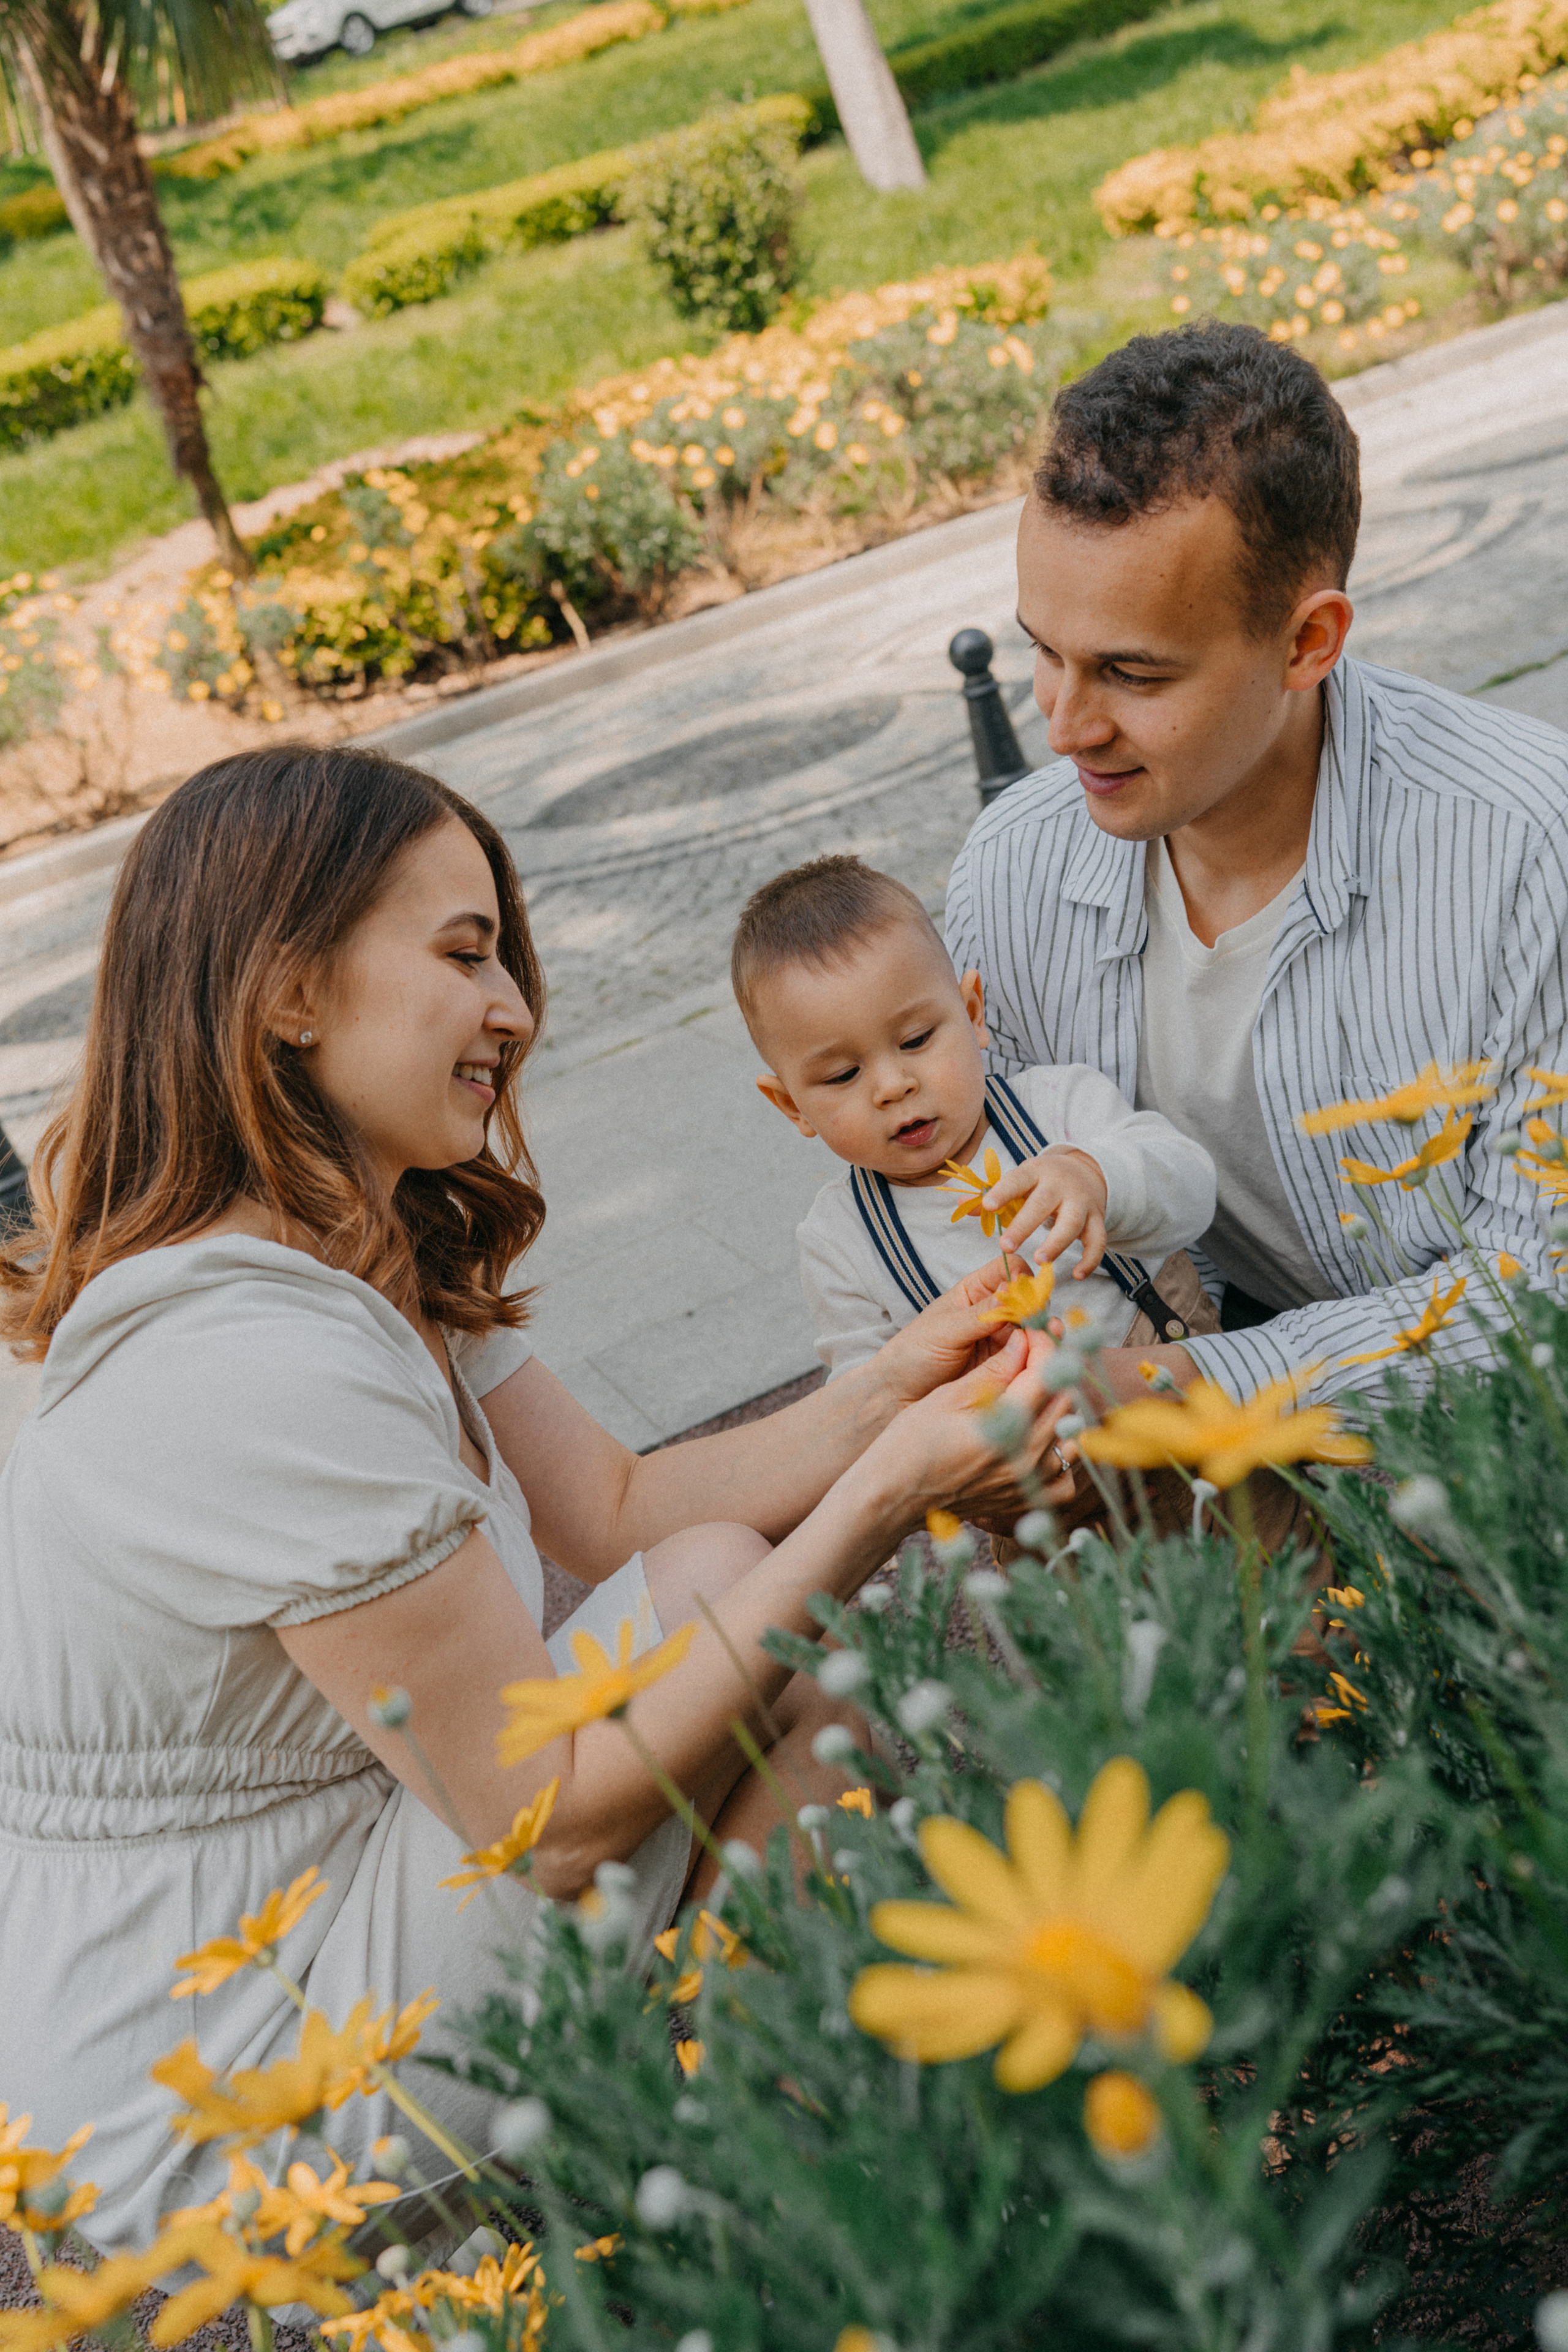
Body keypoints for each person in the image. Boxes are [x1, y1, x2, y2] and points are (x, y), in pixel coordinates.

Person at [0, 747, 1066, 2253]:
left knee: (739, 1637)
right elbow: (542, 1818)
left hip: (347, 1901)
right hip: (210, 2059)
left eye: (503, 954)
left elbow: (612, 1503)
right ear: (289, 989)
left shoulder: (361, 1242)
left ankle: (825, 2218)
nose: (514, 1007)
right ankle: (845, 2212)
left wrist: (894, 1382)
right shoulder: (237, 1356)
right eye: (461, 953)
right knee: (722, 1605)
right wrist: (888, 1492)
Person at [946, 320, 1568, 1412]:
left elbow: (1543, 1294)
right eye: (1043, 652)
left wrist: (1184, 1390)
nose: (1062, 726)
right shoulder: (1011, 874)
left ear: (1307, 642)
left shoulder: (1528, 847)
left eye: (1131, 672)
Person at [731, 853, 1218, 1377]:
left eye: (916, 1040)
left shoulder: (1060, 1105)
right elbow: (863, 1399)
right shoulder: (840, 1241)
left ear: (971, 1015)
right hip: (1032, 1449)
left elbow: (1192, 1189)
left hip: (1186, 1392)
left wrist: (1098, 1177)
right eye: (843, 1075)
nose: (894, 1087)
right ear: (791, 1106)